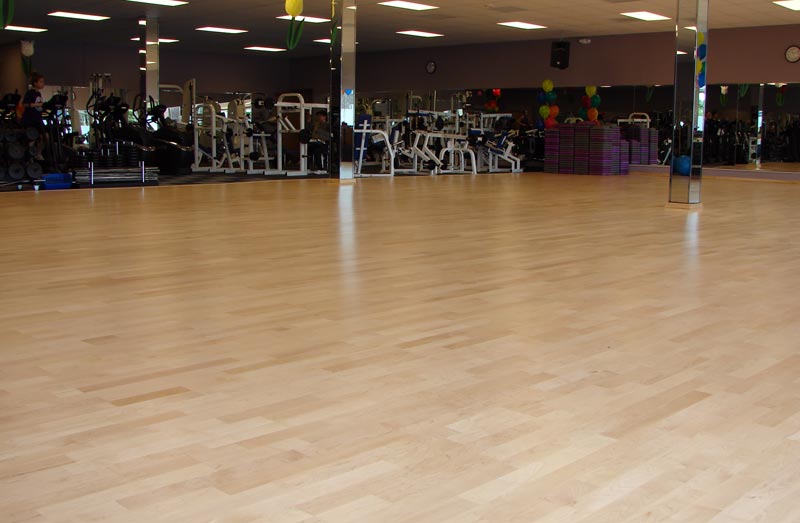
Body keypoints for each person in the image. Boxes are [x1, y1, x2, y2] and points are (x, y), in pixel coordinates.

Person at [22, 73, 47, 162]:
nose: (43, 83)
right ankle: (30, 156)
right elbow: (25, 104)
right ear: (35, 83)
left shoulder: (38, 93)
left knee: (45, 137)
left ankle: (37, 153)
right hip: (30, 119)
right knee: (32, 138)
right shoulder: (30, 93)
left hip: (38, 119)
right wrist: (39, 104)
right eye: (41, 82)